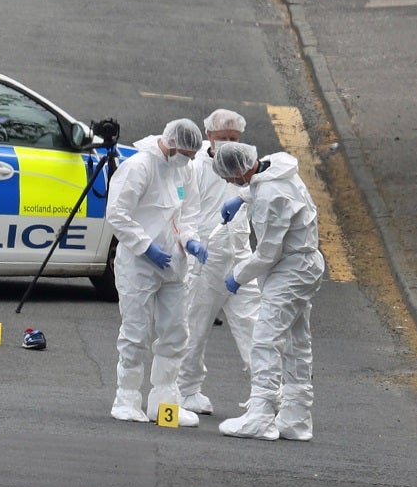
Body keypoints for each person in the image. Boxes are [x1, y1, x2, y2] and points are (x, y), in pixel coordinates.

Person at [212, 141, 325, 441]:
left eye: (229, 178)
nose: (228, 182)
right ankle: (297, 418)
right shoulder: (276, 166)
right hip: (305, 263)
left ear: (237, 172)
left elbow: (267, 254)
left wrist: (237, 276)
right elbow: (258, 183)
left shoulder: (270, 197)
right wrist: (240, 198)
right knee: (296, 341)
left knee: (265, 338)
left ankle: (261, 415)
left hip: (291, 268)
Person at [105, 117, 206, 426]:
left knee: (176, 332)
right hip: (139, 264)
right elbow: (117, 214)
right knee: (136, 331)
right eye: (187, 153)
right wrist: (145, 246)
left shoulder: (184, 169)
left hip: (173, 263)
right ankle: (126, 398)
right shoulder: (140, 167)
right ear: (172, 143)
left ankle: (164, 401)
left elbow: (189, 212)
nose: (190, 160)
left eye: (192, 156)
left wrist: (190, 241)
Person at [174, 108, 258, 415]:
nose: (227, 144)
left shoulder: (248, 162)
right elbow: (184, 208)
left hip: (240, 257)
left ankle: (264, 393)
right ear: (208, 136)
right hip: (205, 258)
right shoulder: (195, 167)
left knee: (254, 325)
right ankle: (186, 389)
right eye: (222, 138)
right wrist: (190, 242)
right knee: (194, 325)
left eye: (234, 139)